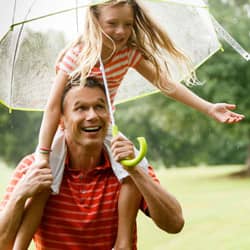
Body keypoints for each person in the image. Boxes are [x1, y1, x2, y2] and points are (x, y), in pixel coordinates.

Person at [19, 0, 245, 248]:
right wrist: (43, 153)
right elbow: (52, 107)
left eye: (127, 24)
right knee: (42, 181)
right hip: (69, 130)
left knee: (134, 167)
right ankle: (20, 244)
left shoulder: (128, 53)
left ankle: (123, 240)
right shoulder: (77, 56)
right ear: (95, 22)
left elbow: (165, 83)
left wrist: (208, 107)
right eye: (112, 24)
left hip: (104, 127)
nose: (121, 31)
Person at [0, 78, 185, 250]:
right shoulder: (34, 168)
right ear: (61, 120)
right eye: (81, 108)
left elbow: (175, 223)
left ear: (109, 114)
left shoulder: (125, 165)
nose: (92, 116)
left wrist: (135, 171)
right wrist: (20, 194)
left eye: (99, 106)